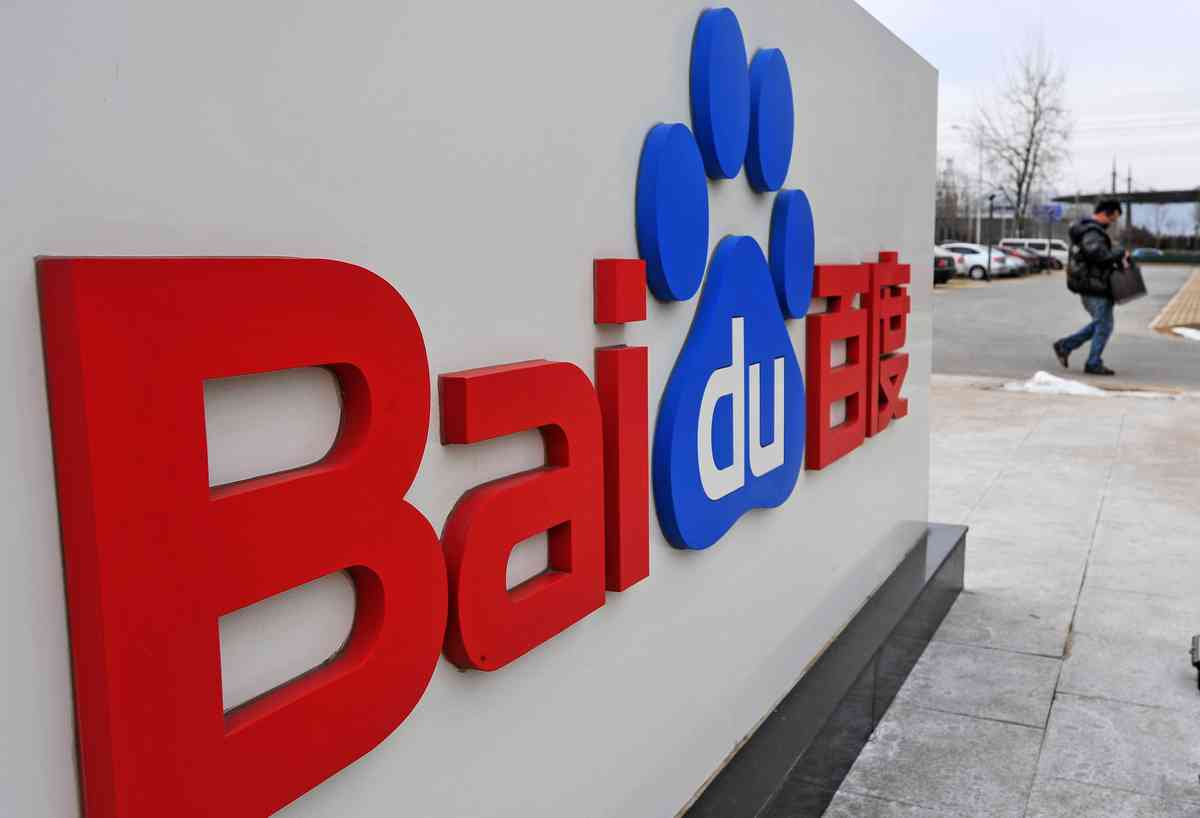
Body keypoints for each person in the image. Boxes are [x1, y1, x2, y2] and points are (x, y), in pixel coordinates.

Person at [1052, 200, 1127, 376]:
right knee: (1104, 325)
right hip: (1093, 286)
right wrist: (1120, 252)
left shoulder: (1089, 230)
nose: (1112, 222)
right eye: (1113, 218)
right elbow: (1097, 255)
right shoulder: (1092, 232)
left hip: (1093, 284)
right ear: (1106, 213)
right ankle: (1092, 362)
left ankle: (1066, 346)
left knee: (1102, 325)